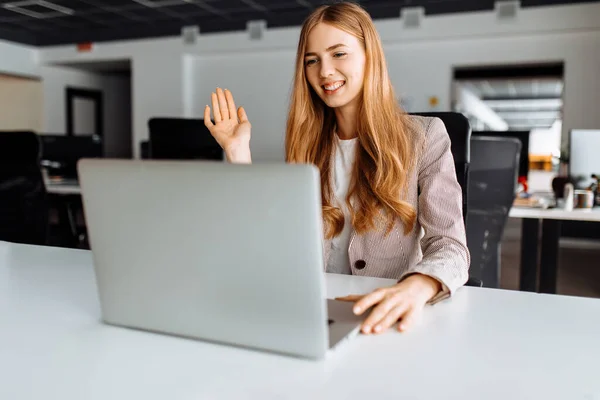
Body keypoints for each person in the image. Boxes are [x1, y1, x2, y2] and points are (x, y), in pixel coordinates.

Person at [203, 2, 470, 335]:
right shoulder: (306, 145)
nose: (324, 71)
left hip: (386, 313)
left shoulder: (424, 137)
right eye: (312, 60)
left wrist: (416, 287)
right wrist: (238, 152)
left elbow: (451, 246)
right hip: (316, 310)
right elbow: (276, 244)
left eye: (338, 54)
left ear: (369, 56)